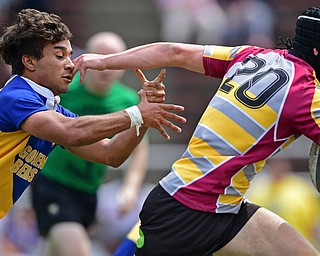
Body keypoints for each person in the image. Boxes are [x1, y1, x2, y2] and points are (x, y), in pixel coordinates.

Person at [73, 5, 320, 256]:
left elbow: (174, 51)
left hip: (223, 209)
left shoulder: (251, 55)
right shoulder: (307, 96)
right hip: (183, 214)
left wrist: (104, 61)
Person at [0, 8, 186, 225]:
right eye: (60, 56)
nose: (70, 64)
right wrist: (136, 113)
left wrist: (142, 118)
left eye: (70, 55)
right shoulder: (16, 97)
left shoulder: (51, 108)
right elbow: (70, 132)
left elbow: (111, 154)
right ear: (30, 62)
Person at [30, 31, 150, 256]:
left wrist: (130, 188)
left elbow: (140, 149)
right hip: (53, 183)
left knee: (55, 250)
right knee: (78, 250)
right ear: (86, 58)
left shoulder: (127, 100)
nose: (104, 66)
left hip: (88, 189)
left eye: (112, 58)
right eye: (99, 57)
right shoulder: (64, 90)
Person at [248, 158, 320, 250]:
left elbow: (313, 222)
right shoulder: (260, 190)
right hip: (269, 244)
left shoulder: (301, 190)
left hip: (297, 243)